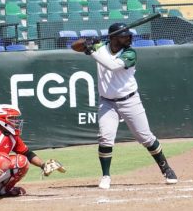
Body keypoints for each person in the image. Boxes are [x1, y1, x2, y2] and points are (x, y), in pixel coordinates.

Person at [70, 23, 178, 189]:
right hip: (107, 102)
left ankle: (166, 168)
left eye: (128, 35)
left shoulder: (130, 53)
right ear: (113, 38)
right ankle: (106, 176)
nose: (128, 38)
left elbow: (113, 66)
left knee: (145, 138)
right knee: (105, 137)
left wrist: (91, 50)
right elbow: (73, 46)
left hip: (129, 100)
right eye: (123, 36)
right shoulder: (100, 47)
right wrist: (87, 41)